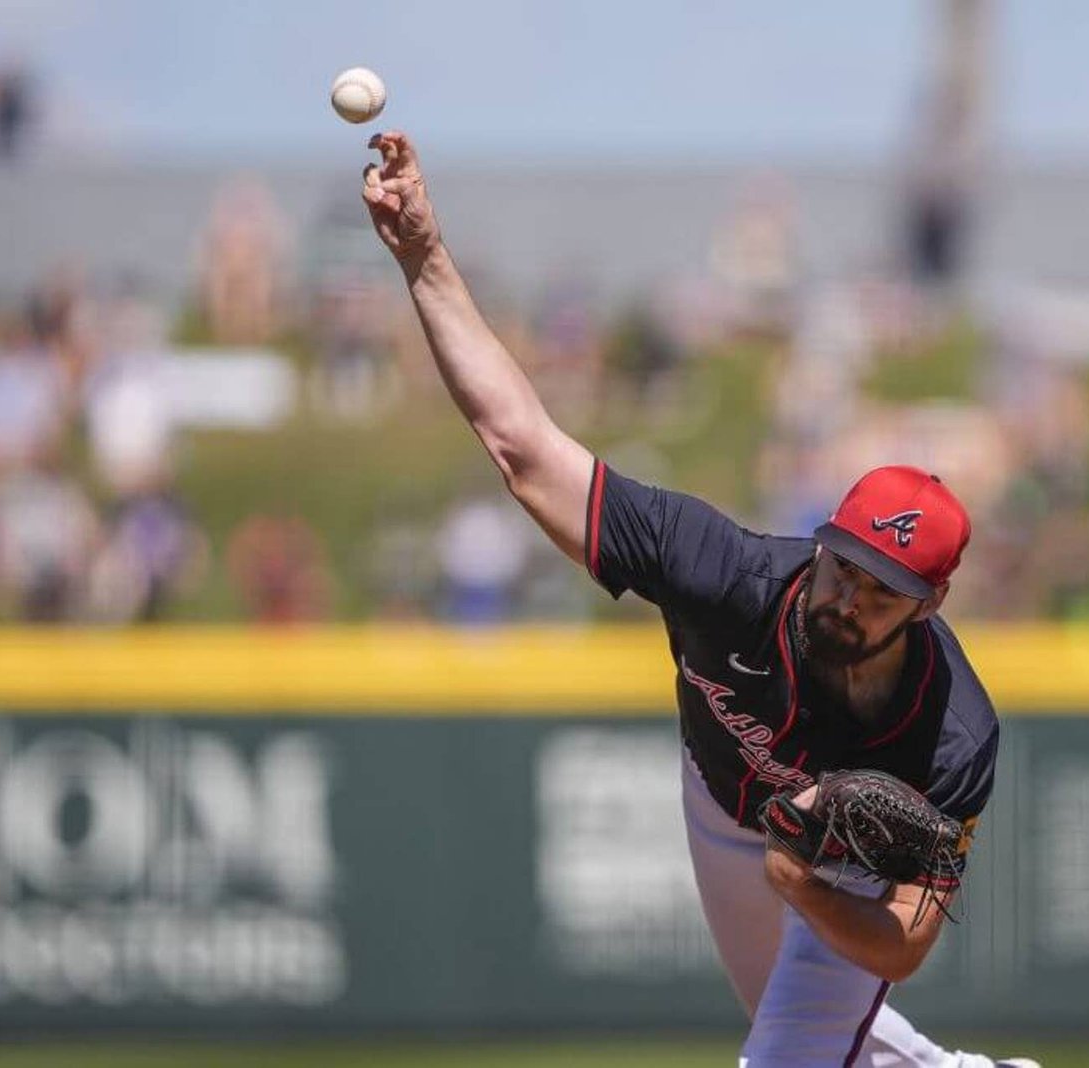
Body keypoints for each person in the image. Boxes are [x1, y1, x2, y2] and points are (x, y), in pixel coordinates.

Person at [360, 131, 1036, 1068]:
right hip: (722, 801)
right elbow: (524, 450)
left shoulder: (951, 732)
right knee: (807, 1045)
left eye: (885, 594)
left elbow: (906, 944)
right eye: (844, 566)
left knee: (785, 1060)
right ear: (824, 539)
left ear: (930, 606)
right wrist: (424, 257)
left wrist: (806, 885)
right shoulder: (725, 574)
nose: (850, 599)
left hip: (835, 858)